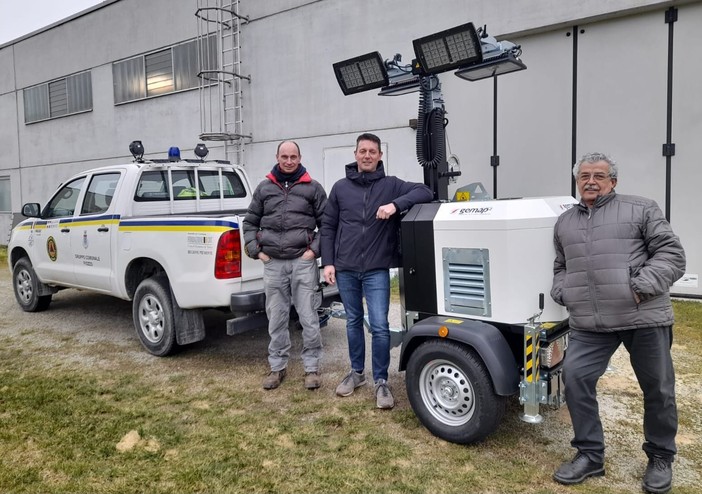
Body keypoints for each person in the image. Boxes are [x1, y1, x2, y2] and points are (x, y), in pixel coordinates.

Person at [550, 152, 686, 494]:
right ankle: (590, 455)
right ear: (577, 181)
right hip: (589, 322)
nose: (591, 181)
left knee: (658, 389)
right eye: (584, 176)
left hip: (643, 317)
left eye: (599, 176)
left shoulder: (641, 208)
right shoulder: (565, 222)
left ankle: (660, 457)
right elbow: (560, 264)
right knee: (576, 378)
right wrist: (562, 289)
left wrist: (639, 287)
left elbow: (672, 255)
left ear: (613, 181)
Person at [320, 133, 433, 409]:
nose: (367, 155)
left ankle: (381, 380)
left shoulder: (391, 185)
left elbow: (426, 191)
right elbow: (329, 226)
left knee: (380, 327)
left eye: (372, 151)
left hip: (376, 269)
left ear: (380, 156)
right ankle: (357, 373)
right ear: (355, 154)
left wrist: (395, 205)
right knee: (353, 321)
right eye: (363, 151)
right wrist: (328, 263)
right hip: (345, 268)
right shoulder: (340, 188)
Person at [243, 140, 327, 391]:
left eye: (293, 156)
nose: (288, 161)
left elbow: (328, 225)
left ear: (300, 158)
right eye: (284, 156)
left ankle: (311, 368)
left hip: (303, 262)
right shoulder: (264, 188)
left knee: (308, 316)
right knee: (276, 317)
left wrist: (313, 252)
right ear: (277, 157)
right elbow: (249, 223)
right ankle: (277, 367)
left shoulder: (313, 188)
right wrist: (257, 252)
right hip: (273, 264)